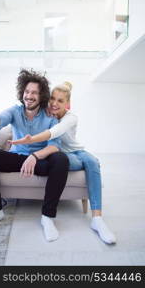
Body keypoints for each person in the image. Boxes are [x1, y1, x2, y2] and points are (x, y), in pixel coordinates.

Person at [10, 81, 116, 244]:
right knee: (82, 162)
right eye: (52, 98)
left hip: (78, 152)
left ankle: (97, 218)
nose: (54, 103)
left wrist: (31, 139)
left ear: (67, 104)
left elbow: (55, 132)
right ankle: (89, 168)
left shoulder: (70, 117)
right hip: (62, 155)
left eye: (60, 101)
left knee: (92, 161)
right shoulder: (45, 113)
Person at [0, 69, 69, 242]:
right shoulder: (15, 111)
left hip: (40, 161)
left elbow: (54, 146)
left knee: (61, 159)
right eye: (26, 91)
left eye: (34, 92)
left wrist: (34, 157)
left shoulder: (50, 116)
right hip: (17, 158)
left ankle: (47, 217)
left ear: (41, 96)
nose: (29, 96)